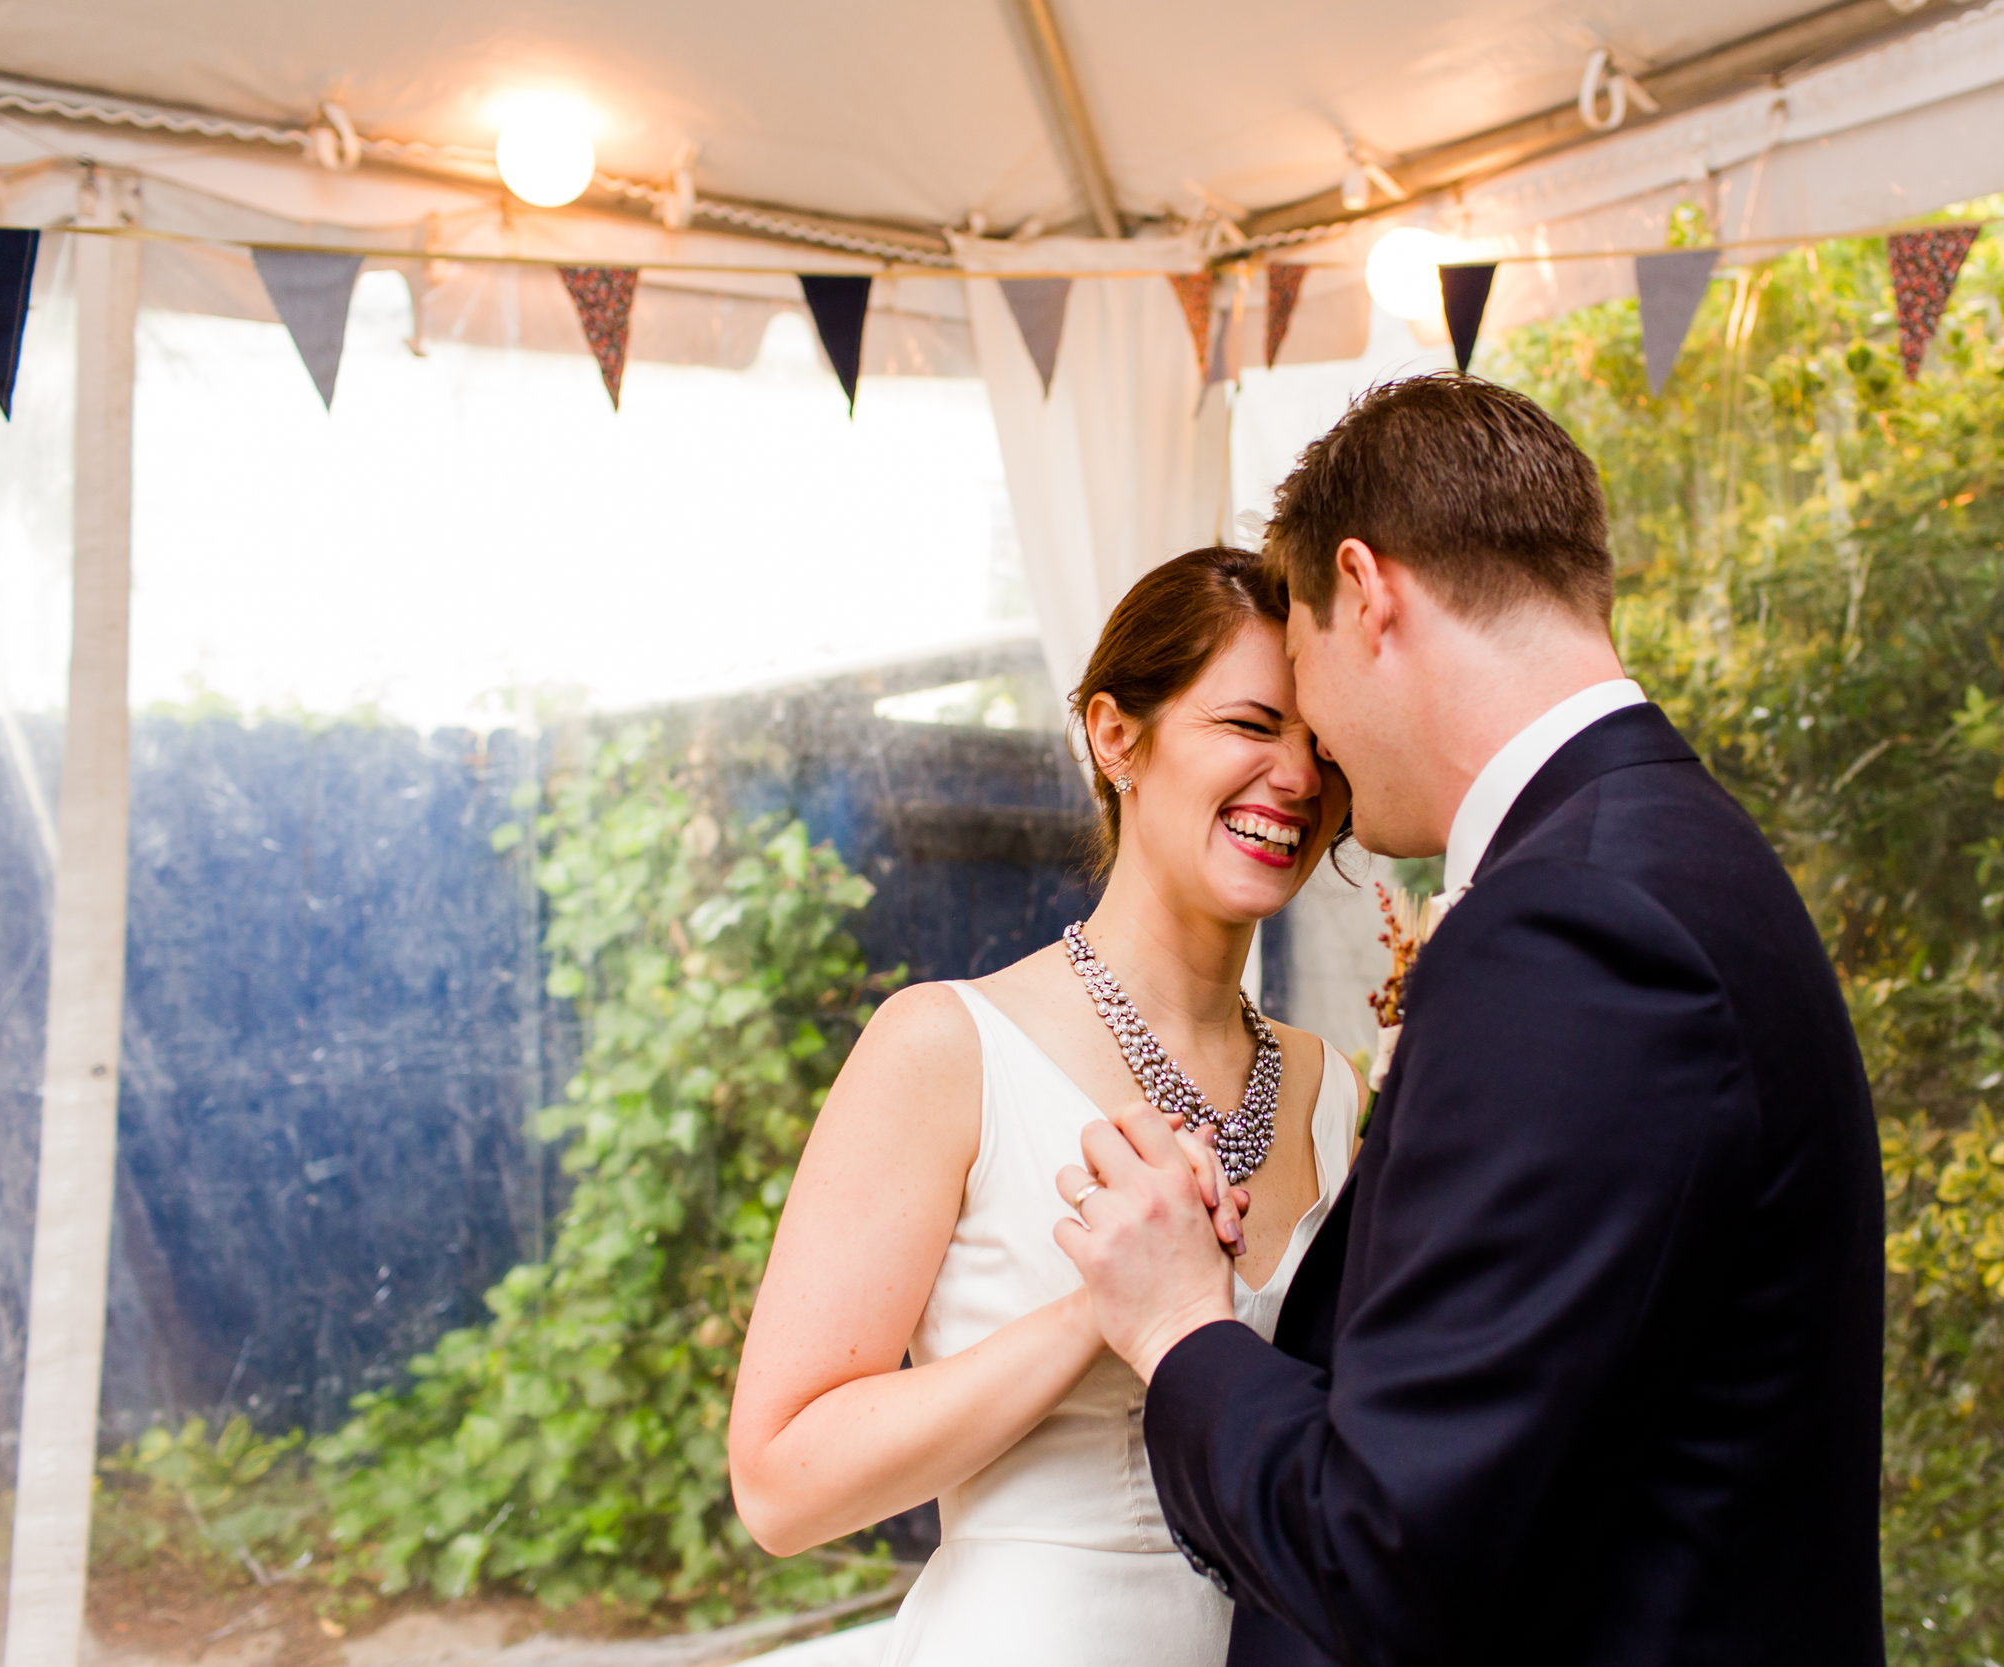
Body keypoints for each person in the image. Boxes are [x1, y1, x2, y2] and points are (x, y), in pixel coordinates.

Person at [1055, 375, 1888, 1666]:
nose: (1313, 752)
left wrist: (1177, 1320)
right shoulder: (1677, 852)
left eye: (1305, 668)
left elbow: (1388, 1543)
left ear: (1366, 591)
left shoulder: (1569, 927)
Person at [729, 546, 1362, 1667]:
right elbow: (781, 1484)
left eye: (1322, 742)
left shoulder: (1331, 1090)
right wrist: (1102, 1309)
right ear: (1117, 735)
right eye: (1253, 725)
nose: (1298, 778)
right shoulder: (945, 1047)